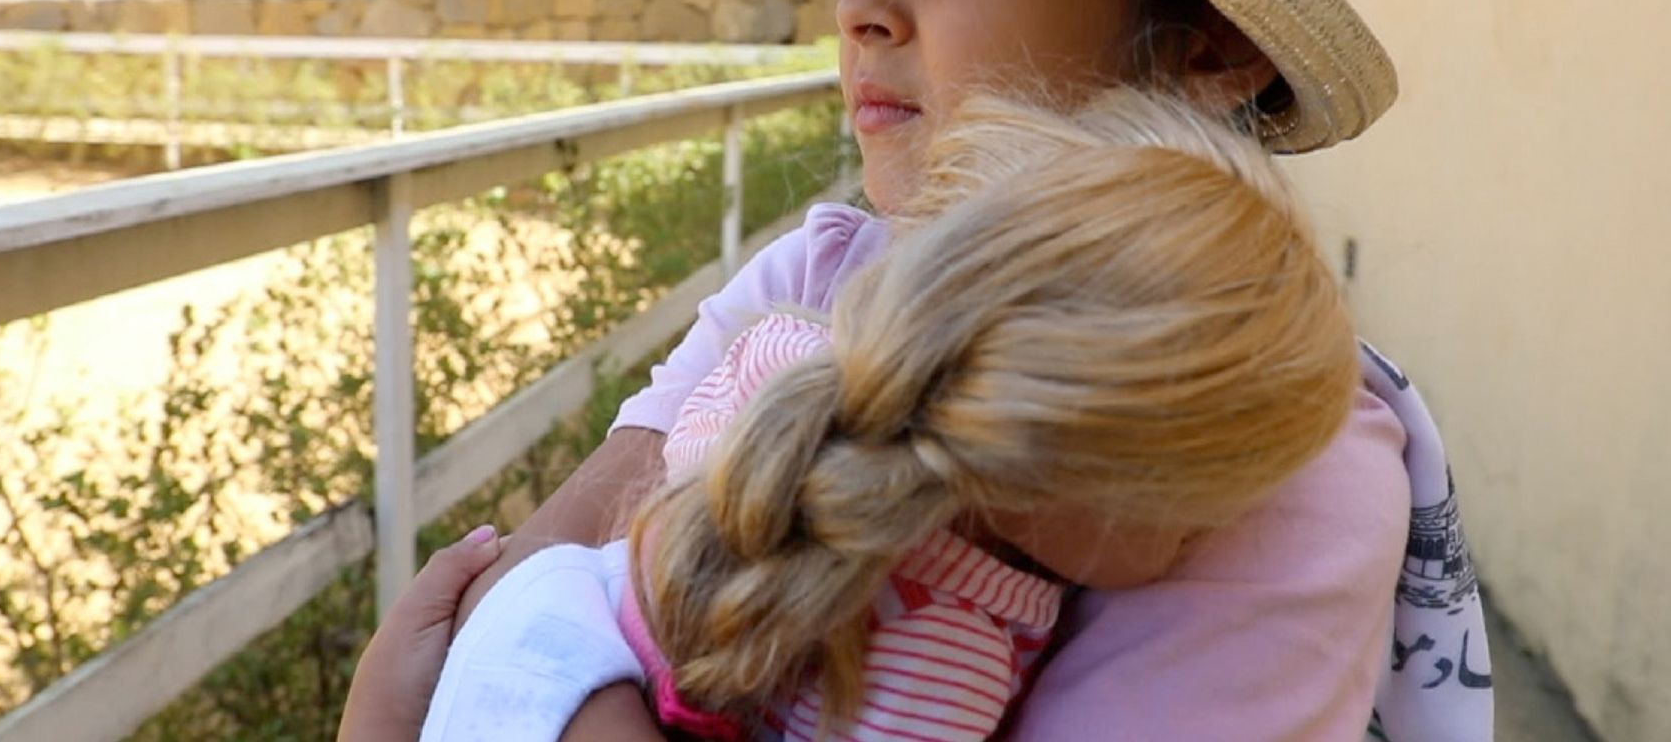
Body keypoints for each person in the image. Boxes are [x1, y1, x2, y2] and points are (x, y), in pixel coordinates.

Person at [342, 0, 1492, 739]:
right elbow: (558, 556)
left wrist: (526, 692)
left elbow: (506, 636)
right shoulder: (816, 276)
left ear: (1215, 39)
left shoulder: (1245, 431)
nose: (864, 6)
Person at [417, 86, 1365, 742]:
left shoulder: (786, 369)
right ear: (1088, 464)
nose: (1206, 541)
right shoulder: (946, 657)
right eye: (1202, 506)